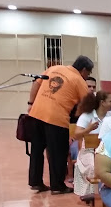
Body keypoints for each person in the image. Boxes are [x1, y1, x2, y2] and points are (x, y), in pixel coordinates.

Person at [28, 55, 93, 194]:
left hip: (37, 113)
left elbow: (36, 83)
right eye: (88, 73)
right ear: (83, 70)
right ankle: (57, 186)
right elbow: (86, 104)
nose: (87, 76)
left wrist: (30, 103)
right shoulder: (79, 81)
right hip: (57, 119)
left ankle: (35, 182)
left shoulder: (54, 68)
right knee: (58, 153)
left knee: (37, 150)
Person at [72, 91, 111, 196]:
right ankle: (94, 194)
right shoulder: (87, 116)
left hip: (107, 150)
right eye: (110, 101)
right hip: (88, 150)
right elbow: (76, 135)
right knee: (94, 167)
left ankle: (108, 193)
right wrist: (89, 129)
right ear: (102, 102)